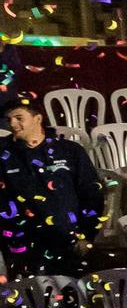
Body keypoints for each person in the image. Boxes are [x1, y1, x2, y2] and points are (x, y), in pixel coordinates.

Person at [0, 97, 103, 279]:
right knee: (32, 300)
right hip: (24, 243)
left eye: (18, 118)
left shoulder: (69, 150)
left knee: (73, 296)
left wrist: (87, 234)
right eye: (9, 120)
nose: (13, 124)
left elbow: (91, 192)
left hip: (68, 239)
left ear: (37, 118)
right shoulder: (4, 154)